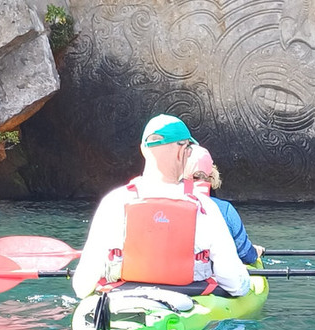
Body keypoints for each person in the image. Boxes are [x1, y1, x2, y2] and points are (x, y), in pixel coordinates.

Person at [72, 115, 251, 299]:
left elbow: (82, 286)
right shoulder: (204, 207)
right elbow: (234, 284)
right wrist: (247, 284)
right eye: (189, 149)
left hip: (122, 301)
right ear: (182, 151)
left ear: (143, 150)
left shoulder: (114, 201)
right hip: (189, 301)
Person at [182, 146, 264, 265]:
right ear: (212, 176)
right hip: (212, 279)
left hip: (172, 277)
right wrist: (256, 252)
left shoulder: (163, 207)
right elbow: (246, 255)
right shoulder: (224, 210)